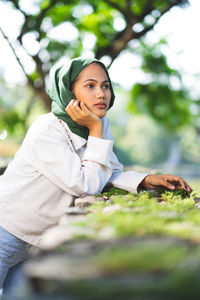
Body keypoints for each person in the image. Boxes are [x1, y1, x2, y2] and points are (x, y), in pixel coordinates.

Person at [0, 57, 192, 296]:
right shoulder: (48, 128)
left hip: (37, 240)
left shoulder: (100, 124)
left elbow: (107, 170)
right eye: (90, 86)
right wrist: (95, 130)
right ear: (68, 92)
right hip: (7, 230)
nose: (101, 93)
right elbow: (86, 184)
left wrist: (144, 180)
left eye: (105, 85)